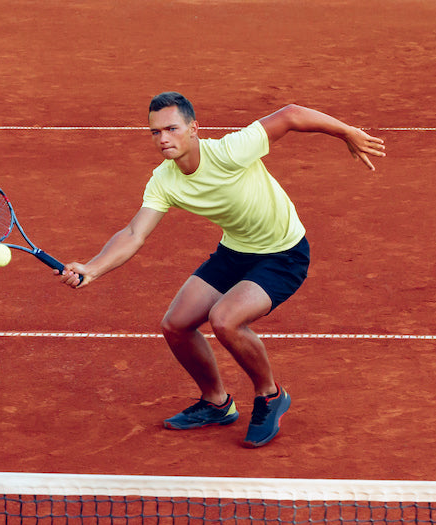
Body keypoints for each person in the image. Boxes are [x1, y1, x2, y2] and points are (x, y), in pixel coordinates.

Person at [60, 92, 385, 448]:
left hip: (284, 254)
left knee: (225, 319)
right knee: (176, 325)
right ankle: (217, 403)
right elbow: (135, 232)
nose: (163, 138)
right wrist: (92, 268)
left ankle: (270, 394)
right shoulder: (164, 181)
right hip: (236, 251)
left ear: (194, 128)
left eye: (171, 128)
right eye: (155, 132)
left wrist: (346, 132)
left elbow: (290, 115)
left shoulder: (231, 151)